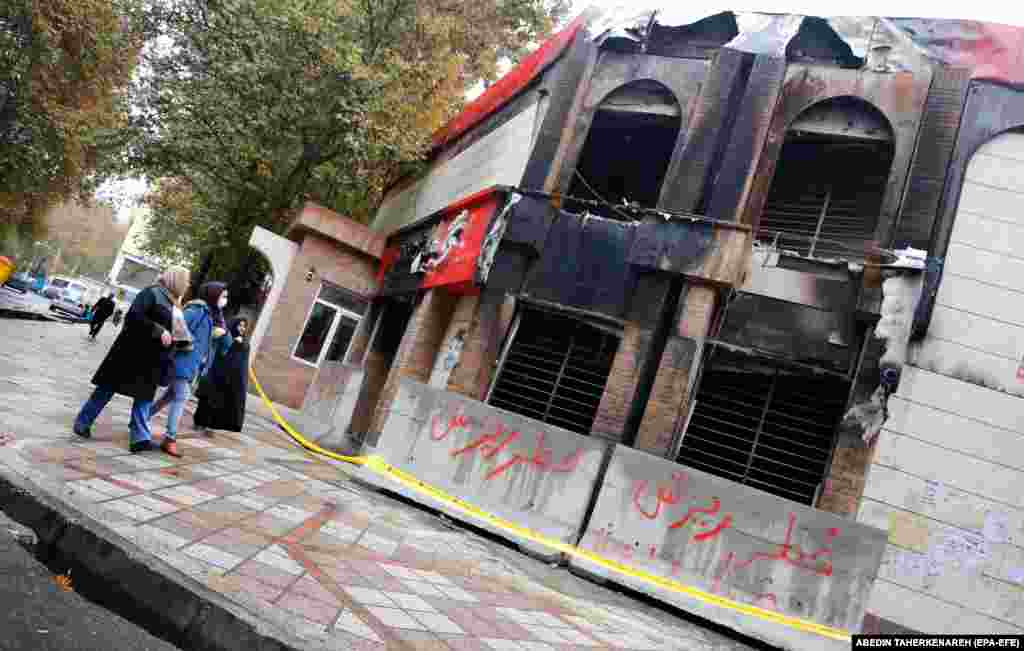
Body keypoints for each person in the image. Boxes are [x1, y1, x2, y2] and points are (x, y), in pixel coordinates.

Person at [73, 267, 189, 453]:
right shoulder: (151, 293)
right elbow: (134, 316)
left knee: (144, 398)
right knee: (106, 389)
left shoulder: (175, 305)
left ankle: (140, 438)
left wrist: (182, 341)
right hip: (129, 353)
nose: (188, 285)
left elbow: (180, 334)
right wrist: (158, 330)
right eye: (186, 281)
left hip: (151, 360)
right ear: (177, 280)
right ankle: (82, 422)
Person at [149, 282, 231, 457]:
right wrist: (190, 342)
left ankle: (141, 418)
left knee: (169, 397)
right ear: (213, 295)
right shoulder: (196, 311)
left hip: (194, 367)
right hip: (182, 363)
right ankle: (169, 439)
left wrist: (223, 331)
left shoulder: (215, 316)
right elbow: (177, 327)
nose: (225, 300)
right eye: (223, 296)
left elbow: (227, 345)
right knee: (181, 397)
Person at [193, 317, 250, 437]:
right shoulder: (225, 336)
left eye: (244, 326)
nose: (242, 328)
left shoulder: (244, 342)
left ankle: (210, 426)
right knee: (207, 400)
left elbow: (242, 363)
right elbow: (218, 352)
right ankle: (199, 422)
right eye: (240, 325)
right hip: (215, 373)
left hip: (228, 378)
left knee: (219, 403)